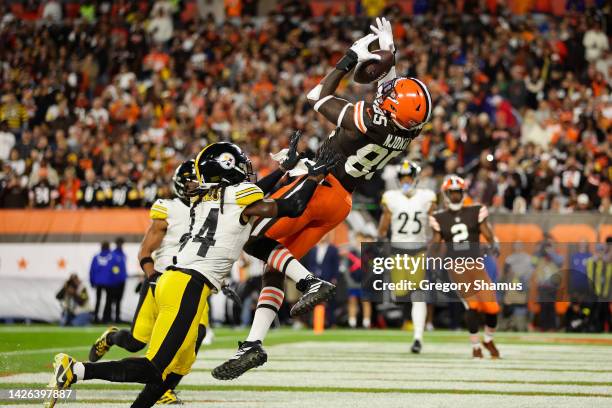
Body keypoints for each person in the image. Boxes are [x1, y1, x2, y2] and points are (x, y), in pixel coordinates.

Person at [218, 17, 432, 378]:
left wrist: (348, 58)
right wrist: (388, 54)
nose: (387, 92)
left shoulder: (370, 119)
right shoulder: (405, 130)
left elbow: (317, 97)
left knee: (255, 241)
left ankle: (310, 282)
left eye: (392, 96)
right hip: (340, 202)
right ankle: (254, 344)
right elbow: (386, 89)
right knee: (273, 266)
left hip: (319, 185)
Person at [47, 142, 337, 408]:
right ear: (226, 169)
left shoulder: (207, 198)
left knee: (174, 371)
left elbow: (253, 196)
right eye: (240, 164)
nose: (246, 170)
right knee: (153, 367)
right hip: (186, 283)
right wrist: (312, 178)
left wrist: (282, 172)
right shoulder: (234, 197)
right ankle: (76, 370)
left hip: (183, 282)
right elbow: (292, 207)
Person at [88, 160, 199, 405]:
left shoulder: (210, 209)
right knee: (136, 342)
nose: (196, 185)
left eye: (199, 180)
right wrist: (152, 277)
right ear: (180, 184)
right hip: (162, 282)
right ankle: (111, 337)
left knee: (194, 336)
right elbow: (145, 251)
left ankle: (163, 387)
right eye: (191, 180)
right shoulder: (168, 209)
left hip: (191, 284)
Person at [429, 175, 501, 359]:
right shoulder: (439, 217)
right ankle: (476, 346)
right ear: (446, 194)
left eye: (458, 192)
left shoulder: (476, 211)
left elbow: (487, 231)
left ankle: (488, 338)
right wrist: (430, 257)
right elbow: (436, 242)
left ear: (463, 193)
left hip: (476, 264)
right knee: (473, 306)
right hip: (456, 267)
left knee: (492, 308)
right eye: (452, 193)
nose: (455, 196)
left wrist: (494, 242)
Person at [377, 160, 436, 353]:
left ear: (416, 179)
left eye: (409, 177)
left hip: (418, 250)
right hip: (398, 252)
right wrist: (380, 236)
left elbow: (434, 222)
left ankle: (418, 336)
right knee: (401, 294)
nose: (406, 181)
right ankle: (409, 318)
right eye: (403, 178)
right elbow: (384, 225)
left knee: (418, 295)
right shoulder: (391, 197)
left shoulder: (427, 197)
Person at [89, 241, 114, 323]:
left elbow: (92, 270)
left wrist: (92, 282)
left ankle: (95, 317)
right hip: (109, 282)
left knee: (98, 300)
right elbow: (115, 271)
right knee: (108, 301)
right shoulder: (112, 257)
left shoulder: (96, 257)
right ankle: (106, 318)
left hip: (98, 282)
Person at [109, 237, 128, 323]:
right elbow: (113, 268)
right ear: (117, 244)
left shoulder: (123, 254)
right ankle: (110, 317)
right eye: (120, 243)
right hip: (114, 282)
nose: (121, 245)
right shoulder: (113, 254)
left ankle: (117, 317)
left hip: (122, 281)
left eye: (122, 244)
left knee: (119, 300)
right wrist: (116, 277)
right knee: (112, 300)